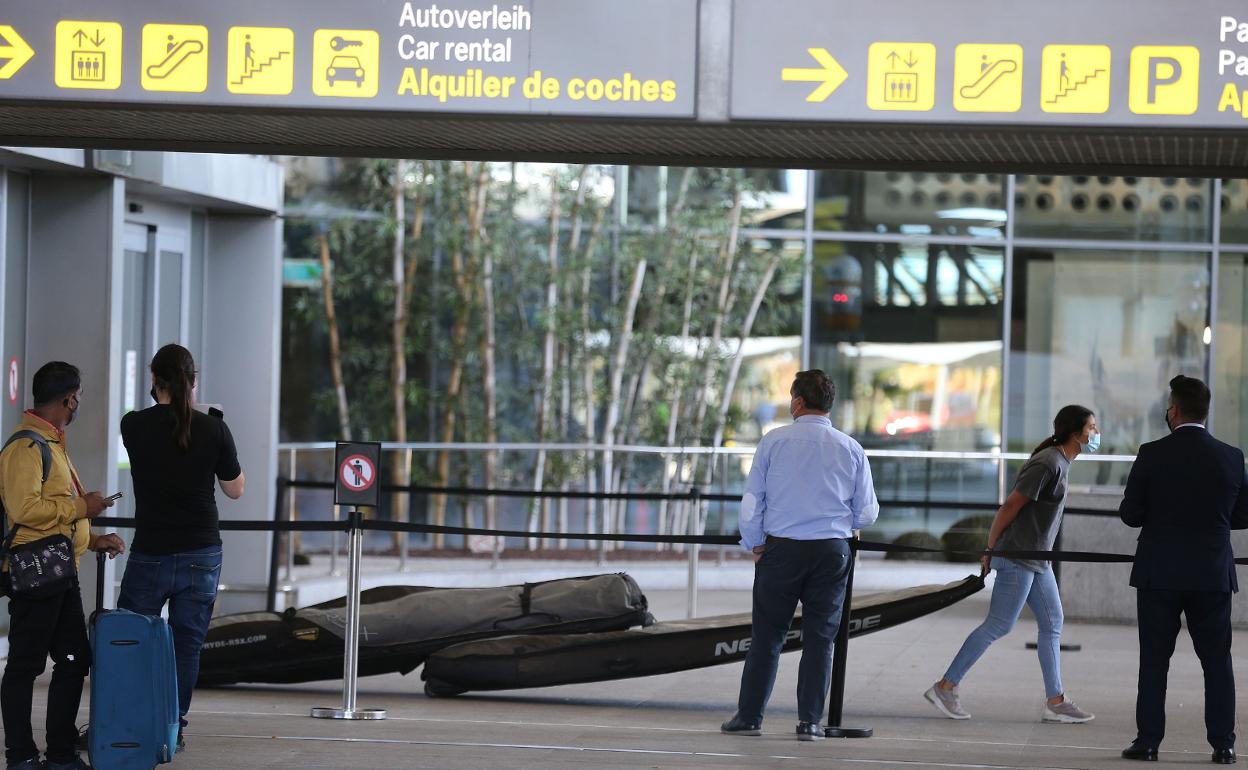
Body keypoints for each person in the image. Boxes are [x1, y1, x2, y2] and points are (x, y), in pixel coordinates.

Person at [720, 369, 878, 741]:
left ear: (797, 401)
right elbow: (867, 512)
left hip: (781, 550)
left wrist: (754, 542)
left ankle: (749, 718)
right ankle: (810, 722)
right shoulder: (851, 447)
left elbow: (751, 501)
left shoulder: (773, 442)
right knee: (821, 639)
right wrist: (840, 523)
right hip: (831, 552)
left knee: (767, 637)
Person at [924, 405, 1097, 724]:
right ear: (1075, 433)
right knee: (999, 624)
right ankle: (945, 686)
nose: (1095, 433)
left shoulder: (1060, 460)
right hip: (1018, 557)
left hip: (1037, 559)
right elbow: (1010, 508)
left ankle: (1056, 700)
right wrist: (990, 548)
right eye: (1091, 427)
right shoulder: (1048, 462)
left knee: (1052, 622)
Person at [117, 344, 244, 751]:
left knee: (133, 639)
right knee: (186, 646)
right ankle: (175, 728)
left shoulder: (133, 426)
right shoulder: (214, 429)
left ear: (154, 380)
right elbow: (235, 489)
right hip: (201, 552)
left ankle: (133, 723)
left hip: (150, 550)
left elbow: (160, 422)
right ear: (193, 381)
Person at [1118, 375, 1248, 764]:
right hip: (1211, 573)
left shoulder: (1151, 453)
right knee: (1217, 662)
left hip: (1159, 574)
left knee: (1155, 660)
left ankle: (1148, 742)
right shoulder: (1231, 456)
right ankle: (1223, 744)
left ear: (1173, 410)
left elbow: (1131, 515)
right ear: (1205, 413)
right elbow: (1242, 515)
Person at [0, 362, 123, 770]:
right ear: (70, 398)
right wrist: (81, 506)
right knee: (25, 665)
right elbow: (25, 509)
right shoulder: (26, 447)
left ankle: (61, 754)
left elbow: (58, 519)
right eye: (79, 396)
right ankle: (20, 756)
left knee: (74, 658)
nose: (78, 403)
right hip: (36, 574)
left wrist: (93, 538)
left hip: (60, 573)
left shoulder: (53, 444)